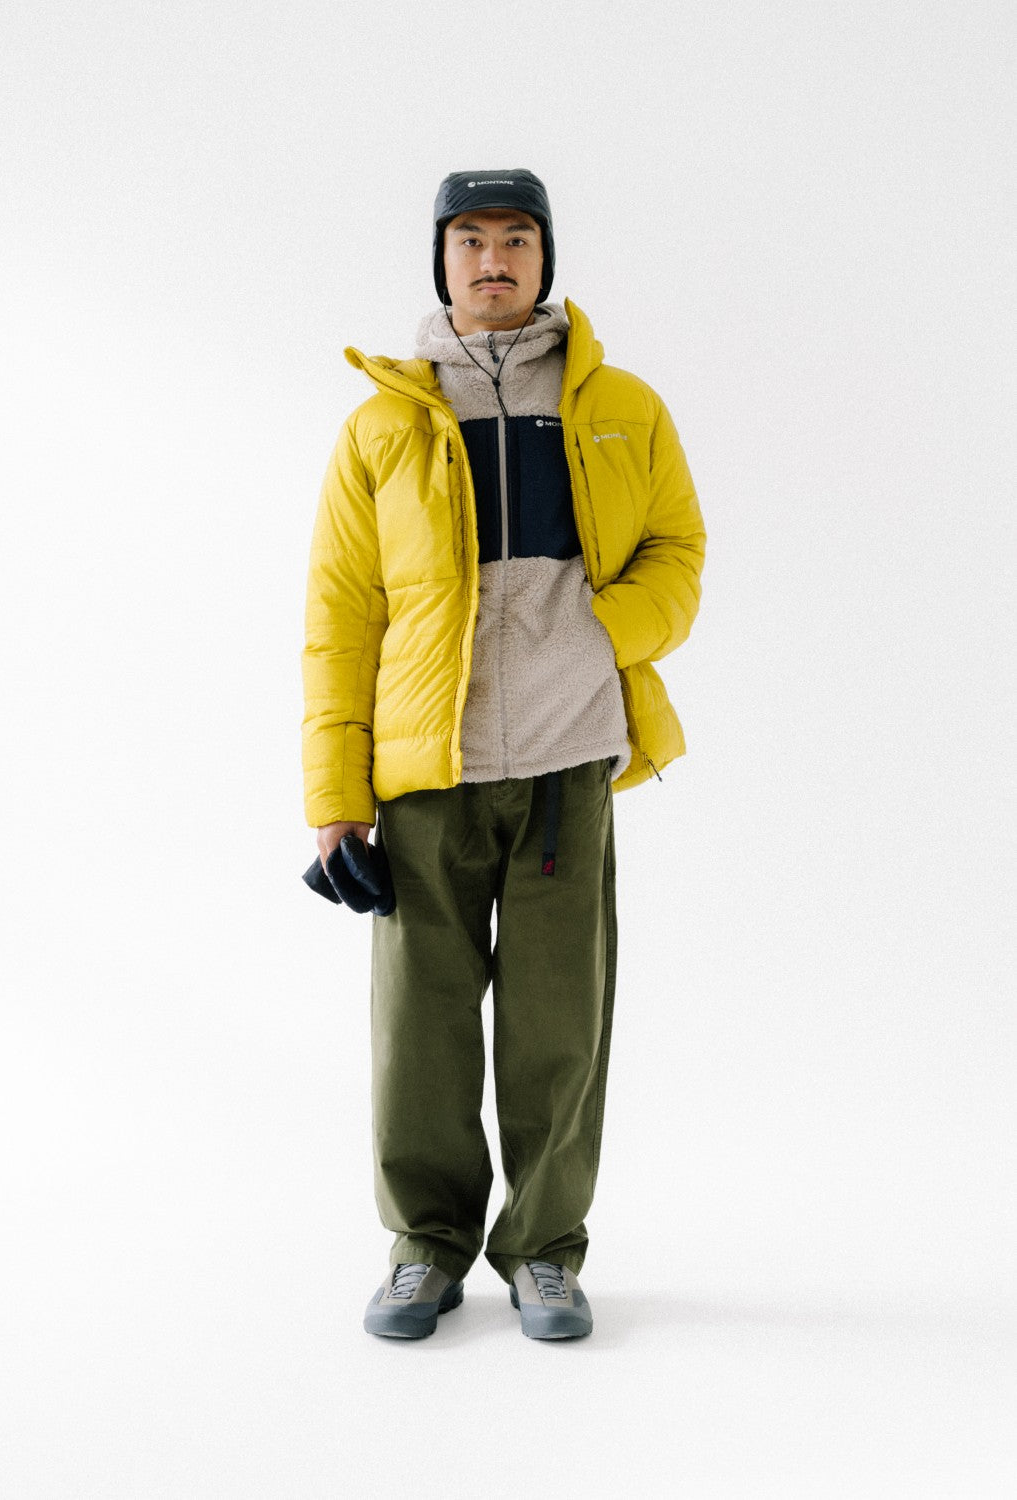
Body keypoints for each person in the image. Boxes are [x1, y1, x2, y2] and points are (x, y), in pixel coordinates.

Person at [301, 169, 706, 1341]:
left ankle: (543, 1251)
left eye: (516, 239)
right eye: (470, 240)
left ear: (544, 257)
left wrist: (599, 630)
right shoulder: (381, 426)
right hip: (425, 778)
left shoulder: (620, 406)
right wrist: (334, 796)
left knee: (557, 1028)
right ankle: (424, 1248)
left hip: (568, 766)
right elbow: (340, 616)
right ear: (441, 261)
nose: (493, 261)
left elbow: (677, 552)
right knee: (418, 1036)